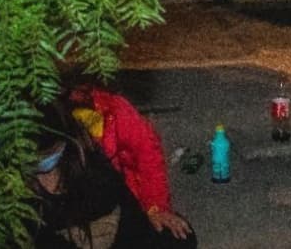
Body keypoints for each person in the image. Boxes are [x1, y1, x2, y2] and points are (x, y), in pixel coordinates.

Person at [29, 102, 196, 248]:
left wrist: (154, 210)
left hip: (112, 234)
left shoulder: (87, 159)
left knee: (180, 235)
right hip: (70, 240)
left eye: (51, 153)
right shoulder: (22, 200)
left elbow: (128, 211)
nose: (46, 162)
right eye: (39, 158)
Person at [64, 81, 192, 240]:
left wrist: (155, 208)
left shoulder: (112, 106)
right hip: (82, 214)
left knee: (179, 236)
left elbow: (148, 155)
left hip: (122, 201)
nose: (75, 93)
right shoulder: (52, 121)